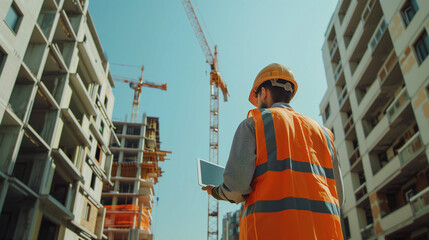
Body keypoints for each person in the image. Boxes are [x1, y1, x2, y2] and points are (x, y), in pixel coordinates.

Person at [202, 63, 344, 239]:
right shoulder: (325, 135)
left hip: (270, 232)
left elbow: (236, 187)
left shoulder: (255, 123)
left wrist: (215, 191)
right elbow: (340, 197)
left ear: (263, 92)